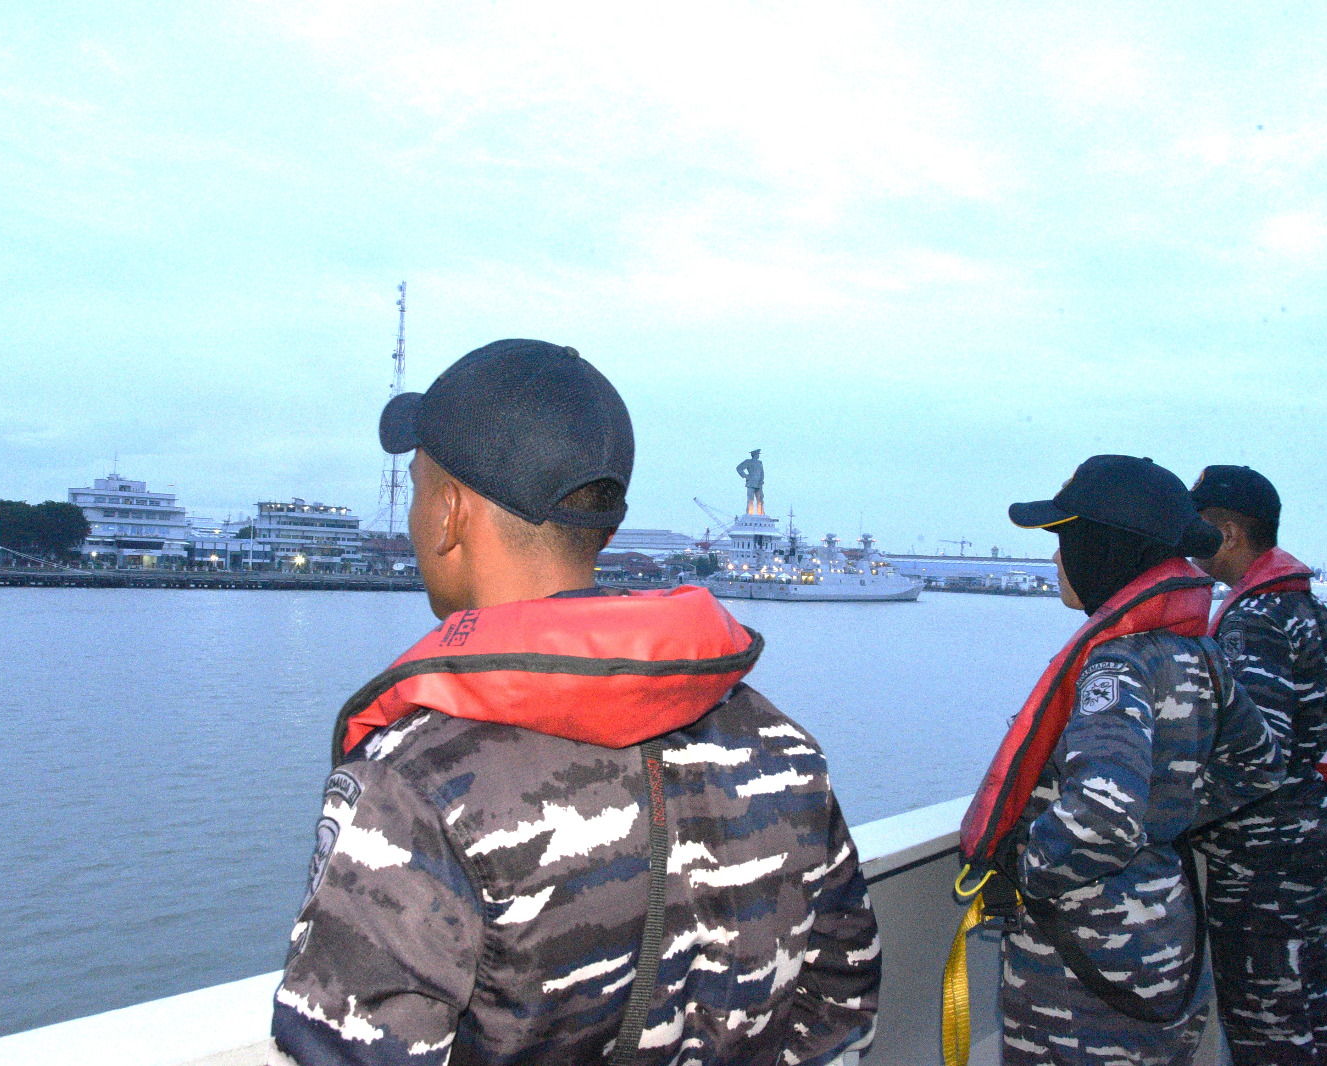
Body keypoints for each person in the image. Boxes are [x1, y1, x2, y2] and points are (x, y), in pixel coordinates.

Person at [269, 340, 879, 1066]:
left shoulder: (412, 788)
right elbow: (842, 995)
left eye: (419, 490)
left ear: (448, 514)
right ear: (606, 527)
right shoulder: (784, 750)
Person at [997, 455, 1285, 1066]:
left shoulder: (1116, 664)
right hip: (1167, 945)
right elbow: (1261, 763)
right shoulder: (1198, 653)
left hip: (1083, 974)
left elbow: (1101, 817)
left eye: (1065, 540)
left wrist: (1025, 871)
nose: (1056, 560)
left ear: (1104, 551)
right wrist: (1163, 821)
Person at [1187, 465, 1327, 1065]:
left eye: (1196, 530)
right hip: (1305, 827)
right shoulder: (1303, 606)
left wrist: (1168, 812)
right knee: (1310, 1000)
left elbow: (1258, 752)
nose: (1187, 544)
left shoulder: (1254, 618)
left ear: (1229, 534)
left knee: (1266, 1024)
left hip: (1263, 856)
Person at [736, 449, 765, 515]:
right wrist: (745, 476)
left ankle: (761, 513)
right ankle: (749, 513)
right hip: (751, 483)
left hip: (759, 484)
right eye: (757, 454)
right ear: (754, 455)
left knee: (760, 499)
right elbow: (739, 468)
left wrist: (761, 480)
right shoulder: (748, 462)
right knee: (750, 499)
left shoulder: (760, 463)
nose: (758, 456)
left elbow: (762, 473)